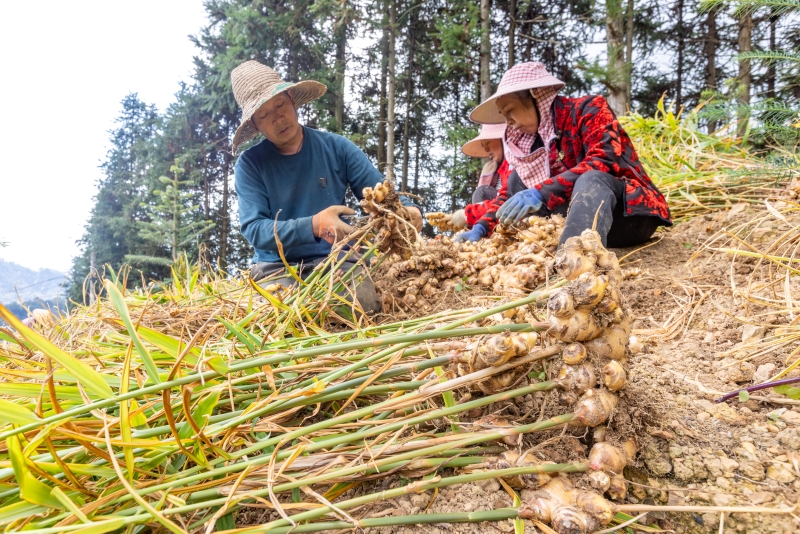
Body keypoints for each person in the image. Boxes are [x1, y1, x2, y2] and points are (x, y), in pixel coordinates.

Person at [231, 61, 423, 314]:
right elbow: (256, 229)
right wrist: (315, 225)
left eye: (280, 104)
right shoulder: (250, 164)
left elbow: (382, 194)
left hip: (336, 261)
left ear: (292, 99)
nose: (278, 118)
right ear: (255, 125)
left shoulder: (337, 148)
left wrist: (408, 212)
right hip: (276, 268)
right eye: (264, 115)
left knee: (360, 304)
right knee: (280, 314)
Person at [469, 62, 672, 248]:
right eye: (504, 115)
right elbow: (507, 195)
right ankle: (554, 246)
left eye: (509, 110)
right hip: (579, 221)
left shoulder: (589, 109)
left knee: (591, 179)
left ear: (535, 95)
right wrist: (481, 227)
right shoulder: (533, 143)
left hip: (628, 217)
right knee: (515, 179)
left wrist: (541, 192)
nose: (508, 122)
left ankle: (572, 258)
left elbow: (604, 160)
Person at [448, 123, 527, 243]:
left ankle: (481, 228)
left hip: (518, 210)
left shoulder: (515, 163)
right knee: (482, 191)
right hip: (500, 209)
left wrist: (467, 214)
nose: (486, 149)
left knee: (481, 192)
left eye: (488, 143)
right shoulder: (498, 168)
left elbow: (506, 200)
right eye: (483, 145)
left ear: (503, 139)